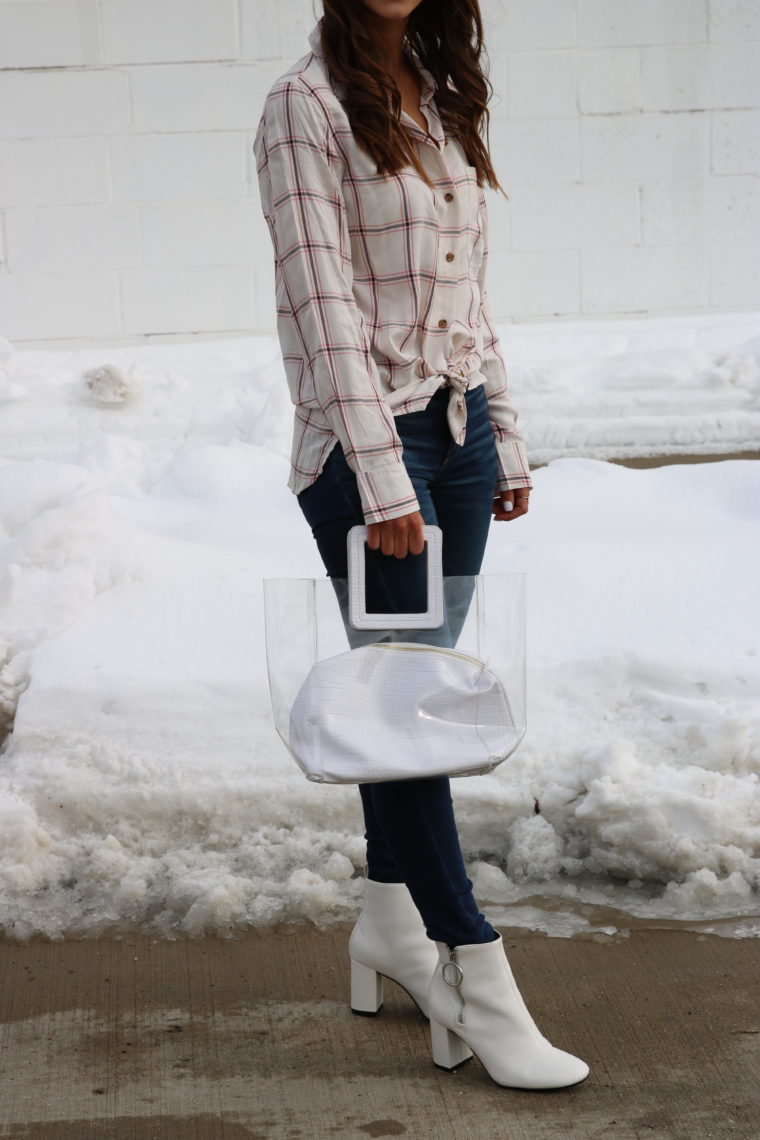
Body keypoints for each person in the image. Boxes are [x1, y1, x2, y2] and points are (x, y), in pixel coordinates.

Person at [253, 0, 589, 1090]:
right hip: (372, 449)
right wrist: (380, 476)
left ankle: (387, 929)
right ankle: (476, 974)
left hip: (457, 436)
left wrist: (505, 435)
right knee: (412, 726)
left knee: (405, 706)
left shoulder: (435, 96)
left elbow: (468, 300)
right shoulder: (301, 109)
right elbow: (322, 311)